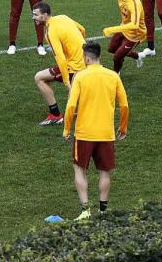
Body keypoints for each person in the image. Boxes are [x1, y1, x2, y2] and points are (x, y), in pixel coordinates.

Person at [62, 41, 128, 221]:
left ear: (86, 58)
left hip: (84, 133)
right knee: (104, 172)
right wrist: (123, 126)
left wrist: (66, 129)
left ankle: (85, 210)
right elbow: (124, 105)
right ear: (99, 56)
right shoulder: (113, 76)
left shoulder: (80, 77)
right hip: (106, 133)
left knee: (79, 169)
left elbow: (71, 106)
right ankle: (103, 211)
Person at [74, 0, 147, 73]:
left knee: (117, 57)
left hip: (135, 34)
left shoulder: (133, 3)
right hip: (123, 27)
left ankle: (116, 74)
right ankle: (138, 56)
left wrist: (111, 30)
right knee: (112, 49)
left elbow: (134, 25)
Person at [32, 2, 86, 126]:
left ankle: (55, 115)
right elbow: (82, 29)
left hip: (75, 67)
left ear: (45, 15)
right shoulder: (63, 17)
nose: (33, 18)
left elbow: (61, 59)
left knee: (39, 77)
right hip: (86, 61)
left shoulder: (50, 32)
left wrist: (67, 84)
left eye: (36, 15)